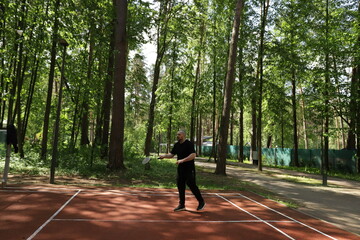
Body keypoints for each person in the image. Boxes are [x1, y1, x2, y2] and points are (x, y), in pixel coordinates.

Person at [159, 130, 205, 212]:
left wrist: (183, 160)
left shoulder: (189, 144)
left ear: (183, 135)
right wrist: (164, 156)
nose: (177, 136)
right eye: (177, 134)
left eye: (179, 134)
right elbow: (172, 154)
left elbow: (193, 155)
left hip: (189, 168)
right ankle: (182, 204)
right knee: (180, 185)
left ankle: (201, 202)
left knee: (192, 185)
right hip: (180, 169)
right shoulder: (177, 145)